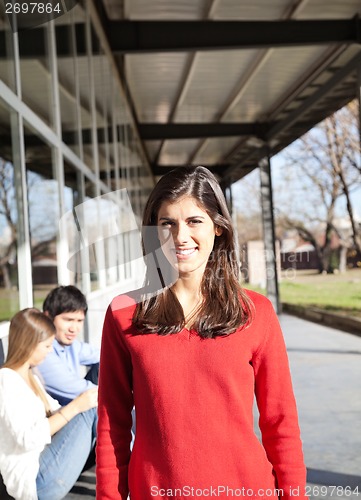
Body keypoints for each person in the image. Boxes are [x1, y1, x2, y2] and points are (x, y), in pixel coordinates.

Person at [96, 166, 308, 500]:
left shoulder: (255, 312)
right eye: (167, 223)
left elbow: (280, 422)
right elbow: (112, 425)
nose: (180, 236)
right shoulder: (123, 314)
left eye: (195, 221)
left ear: (218, 229)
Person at [0, 308, 98, 500]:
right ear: (30, 345)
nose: (50, 352)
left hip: (45, 464)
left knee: (93, 402)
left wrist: (78, 407)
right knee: (90, 408)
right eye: (46, 346)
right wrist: (77, 406)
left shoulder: (31, 376)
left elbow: (55, 410)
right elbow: (27, 438)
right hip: (34, 482)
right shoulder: (6, 381)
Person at [38, 285, 99, 406]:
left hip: (75, 409)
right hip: (58, 418)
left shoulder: (71, 345)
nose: (74, 329)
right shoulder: (42, 352)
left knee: (108, 364)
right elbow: (80, 390)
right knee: (97, 404)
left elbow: (105, 355)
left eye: (79, 321)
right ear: (48, 317)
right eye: (68, 320)